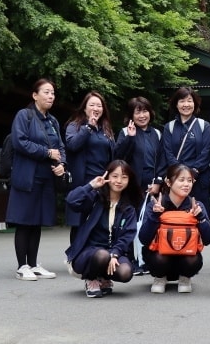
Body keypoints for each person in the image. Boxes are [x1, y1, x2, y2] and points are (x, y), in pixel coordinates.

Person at [5, 78, 67, 281]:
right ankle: (21, 266)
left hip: (46, 179)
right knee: (24, 221)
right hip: (27, 178)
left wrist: (62, 164)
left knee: (37, 221)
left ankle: (33, 264)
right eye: (46, 92)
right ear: (35, 95)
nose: (51, 96)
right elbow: (20, 142)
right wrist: (46, 152)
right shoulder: (24, 115)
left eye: (53, 93)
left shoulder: (53, 121)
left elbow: (61, 147)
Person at [64, 160, 140, 298]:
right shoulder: (95, 198)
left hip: (113, 252)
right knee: (102, 255)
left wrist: (115, 253)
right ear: (107, 176)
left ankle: (103, 277)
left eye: (124, 177)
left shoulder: (128, 208)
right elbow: (71, 201)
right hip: (88, 253)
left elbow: (127, 235)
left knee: (125, 272)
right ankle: (91, 278)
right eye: (115, 176)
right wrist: (91, 186)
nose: (119, 181)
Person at [138, 164, 210, 294]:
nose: (186, 184)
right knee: (158, 258)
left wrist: (201, 217)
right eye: (181, 180)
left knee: (193, 259)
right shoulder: (156, 204)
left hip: (186, 257)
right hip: (159, 258)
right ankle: (160, 277)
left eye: (189, 180)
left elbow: (208, 240)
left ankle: (185, 277)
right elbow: (143, 239)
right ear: (169, 182)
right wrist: (155, 216)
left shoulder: (196, 206)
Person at [116, 96, 164, 274]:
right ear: (131, 115)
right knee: (130, 222)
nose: (142, 115)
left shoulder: (157, 133)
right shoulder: (125, 132)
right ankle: (132, 260)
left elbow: (162, 161)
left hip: (152, 187)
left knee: (150, 222)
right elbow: (118, 157)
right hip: (132, 187)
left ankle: (148, 260)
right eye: (137, 112)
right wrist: (130, 138)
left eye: (145, 111)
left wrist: (158, 182)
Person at [63, 91, 116, 243]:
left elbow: (114, 154)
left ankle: (94, 254)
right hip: (83, 181)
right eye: (92, 105)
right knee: (79, 223)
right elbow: (72, 145)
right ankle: (76, 255)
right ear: (84, 108)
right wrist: (88, 127)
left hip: (103, 182)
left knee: (100, 223)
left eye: (99, 105)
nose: (96, 108)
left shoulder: (106, 129)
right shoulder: (75, 126)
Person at [160, 86, 210, 218]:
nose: (186, 104)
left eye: (189, 101)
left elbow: (206, 151)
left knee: (199, 217)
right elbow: (168, 152)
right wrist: (179, 173)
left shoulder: (204, 125)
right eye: (182, 101)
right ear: (176, 104)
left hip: (198, 179)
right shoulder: (169, 127)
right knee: (175, 218)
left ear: (195, 103)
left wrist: (194, 172)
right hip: (176, 180)